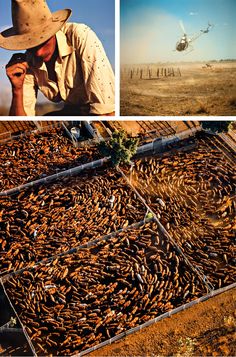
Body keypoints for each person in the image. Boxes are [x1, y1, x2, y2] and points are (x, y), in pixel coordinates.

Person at [0, 0, 115, 116]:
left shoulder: (80, 36)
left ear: (52, 30)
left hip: (96, 112)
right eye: (31, 45)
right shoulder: (27, 62)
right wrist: (17, 90)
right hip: (73, 112)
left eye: (42, 40)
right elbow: (22, 120)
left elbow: (106, 109)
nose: (39, 53)